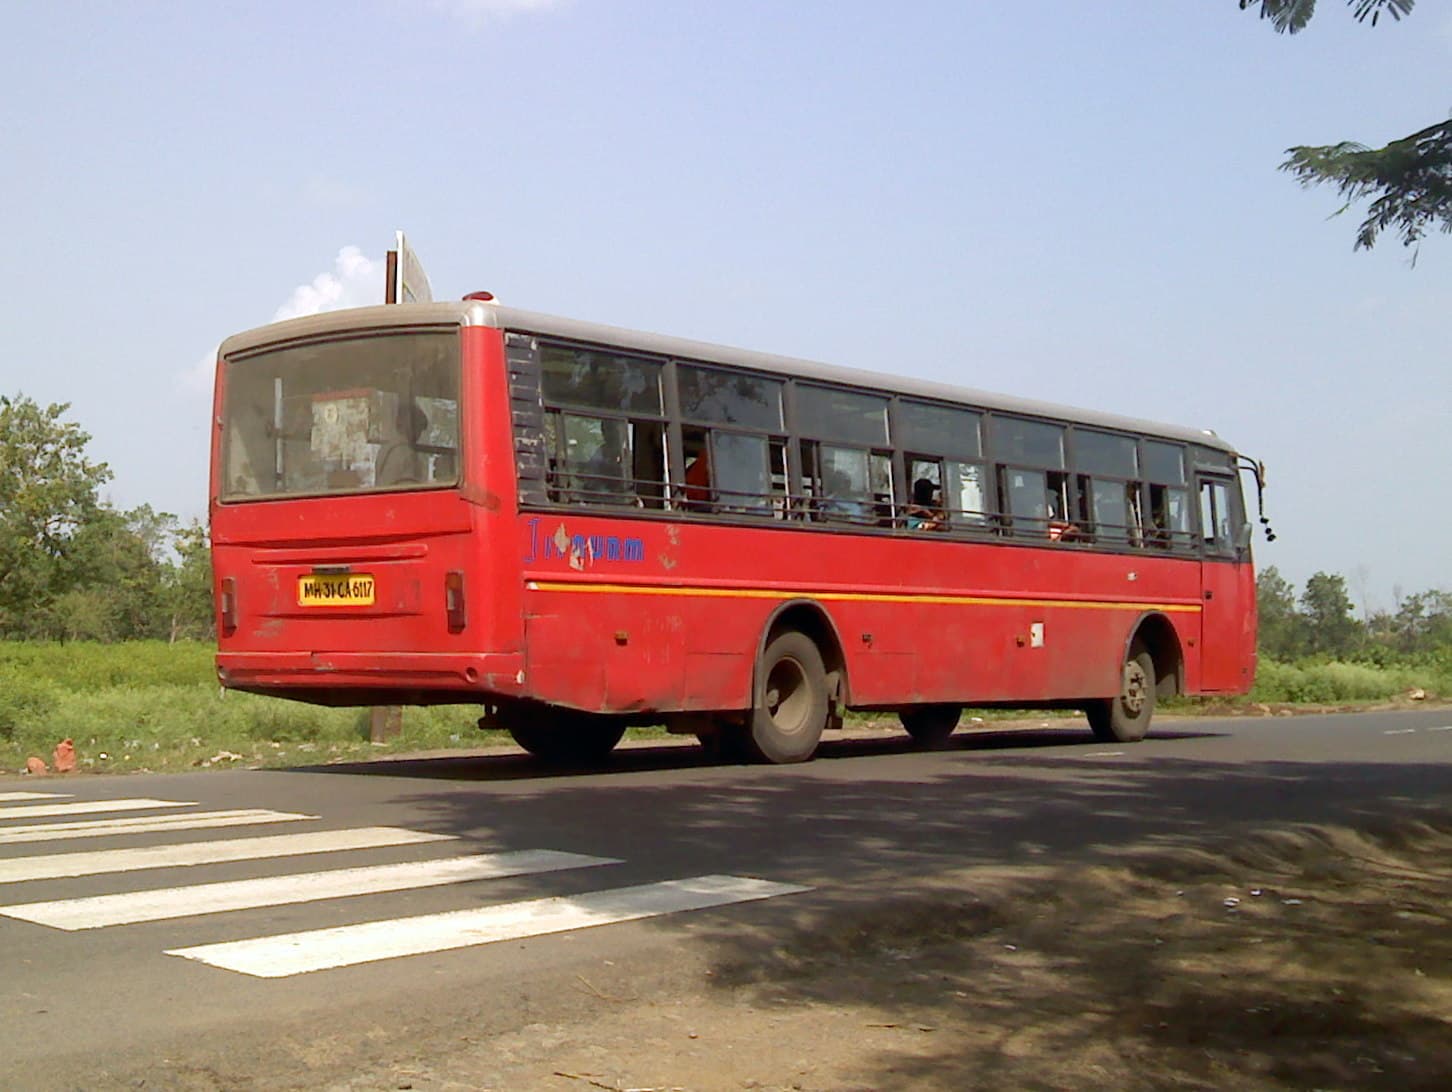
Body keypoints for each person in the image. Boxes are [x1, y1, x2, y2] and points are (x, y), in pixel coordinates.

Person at [375, 400, 428, 486]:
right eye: (419, 428)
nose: (419, 434)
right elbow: (410, 488)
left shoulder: (384, 450)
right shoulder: (408, 454)